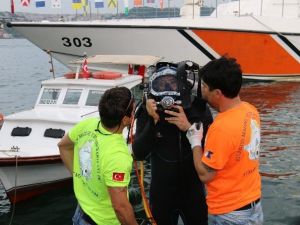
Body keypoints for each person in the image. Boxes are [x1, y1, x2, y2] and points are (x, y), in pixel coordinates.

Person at [166, 56, 264, 225]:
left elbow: (206, 174)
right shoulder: (250, 110)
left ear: (217, 93)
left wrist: (194, 140)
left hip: (230, 214)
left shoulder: (221, 127)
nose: (201, 90)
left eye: (204, 86)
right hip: (253, 206)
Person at [132, 62, 213, 225]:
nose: (167, 89)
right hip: (162, 193)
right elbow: (138, 153)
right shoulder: (147, 110)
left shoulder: (198, 108)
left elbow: (212, 148)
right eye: (161, 84)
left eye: (172, 83)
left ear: (183, 85)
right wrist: (153, 122)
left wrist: (188, 126)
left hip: (192, 192)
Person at [58, 87, 138, 225]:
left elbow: (63, 146)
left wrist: (79, 176)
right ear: (126, 119)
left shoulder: (87, 124)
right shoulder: (118, 155)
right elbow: (120, 207)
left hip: (80, 212)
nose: (135, 113)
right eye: (134, 110)